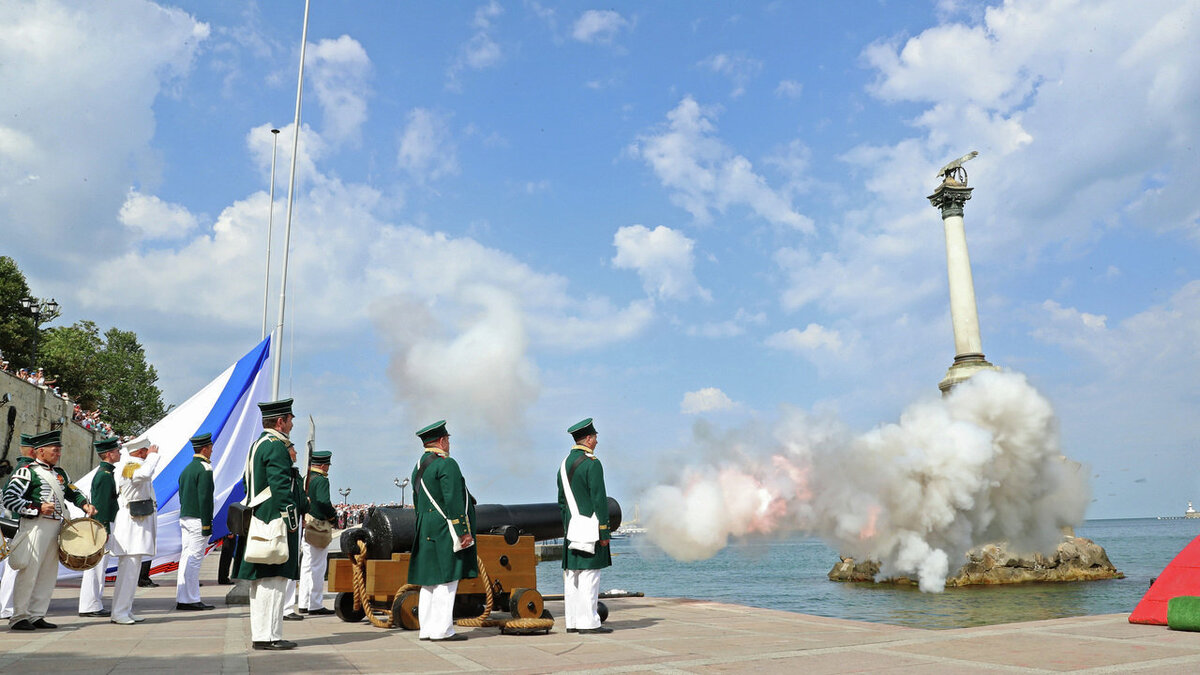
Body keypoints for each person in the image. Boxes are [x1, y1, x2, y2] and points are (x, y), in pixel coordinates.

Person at [1, 429, 97, 630]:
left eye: (59, 449)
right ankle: (19, 616)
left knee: (48, 573)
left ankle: (37, 614)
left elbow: (72, 491)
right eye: (55, 450)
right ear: (40, 451)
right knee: (29, 572)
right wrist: (37, 507)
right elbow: (9, 499)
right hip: (35, 526)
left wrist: (84, 504)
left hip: (56, 527)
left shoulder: (60, 473)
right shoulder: (27, 471)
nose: (59, 453)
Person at [234, 398, 302, 651]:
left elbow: (246, 482)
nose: (293, 423)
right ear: (281, 421)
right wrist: (291, 519)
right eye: (290, 419)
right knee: (273, 581)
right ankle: (268, 636)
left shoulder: (258, 445)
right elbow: (281, 487)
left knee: (261, 583)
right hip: (274, 520)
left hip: (260, 517)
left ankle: (264, 634)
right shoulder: (276, 447)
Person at [407, 420, 477, 642]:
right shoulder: (447, 465)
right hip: (445, 528)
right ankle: (443, 630)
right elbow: (454, 501)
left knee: (429, 581)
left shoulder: (418, 467)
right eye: (448, 439)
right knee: (448, 579)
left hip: (425, 526)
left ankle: (427, 629)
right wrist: (463, 531)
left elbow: (417, 501)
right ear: (442, 440)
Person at [557, 418, 613, 634]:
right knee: (590, 575)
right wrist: (604, 531)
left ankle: (572, 622)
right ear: (588, 439)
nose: (597, 441)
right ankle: (588, 622)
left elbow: (562, 502)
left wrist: (569, 527)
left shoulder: (563, 465)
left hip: (571, 529)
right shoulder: (592, 463)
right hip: (590, 528)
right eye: (595, 437)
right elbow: (599, 499)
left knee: (572, 577)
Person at [110, 439, 160, 625]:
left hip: (137, 524)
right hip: (132, 525)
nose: (149, 453)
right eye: (146, 451)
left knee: (133, 571)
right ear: (140, 452)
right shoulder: (130, 466)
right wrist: (154, 455)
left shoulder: (134, 465)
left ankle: (125, 609)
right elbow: (145, 474)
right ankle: (119, 612)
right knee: (128, 571)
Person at [78, 436, 121, 618]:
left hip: (103, 525)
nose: (119, 453)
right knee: (96, 568)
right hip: (102, 525)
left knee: (98, 568)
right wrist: (105, 530)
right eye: (117, 451)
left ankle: (93, 603)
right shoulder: (104, 476)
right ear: (109, 454)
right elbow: (102, 505)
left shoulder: (106, 473)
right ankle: (90, 605)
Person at [176, 432, 216, 611]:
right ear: (206, 449)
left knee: (186, 557)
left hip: (185, 516)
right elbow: (205, 499)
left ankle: (183, 596)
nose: (212, 451)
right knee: (194, 559)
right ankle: (190, 599)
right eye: (211, 448)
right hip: (198, 519)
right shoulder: (205, 469)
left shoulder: (187, 469)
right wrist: (207, 523)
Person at [0, 434, 36, 620]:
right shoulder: (25, 470)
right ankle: (6, 607)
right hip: (17, 525)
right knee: (13, 569)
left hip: (16, 525)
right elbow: (10, 497)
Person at [296, 450, 336, 616]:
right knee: (318, 566)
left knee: (306, 565)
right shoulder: (321, 480)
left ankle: (304, 602)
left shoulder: (306, 479)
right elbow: (323, 501)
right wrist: (332, 515)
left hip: (306, 525)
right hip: (318, 526)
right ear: (323, 465)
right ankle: (315, 603)